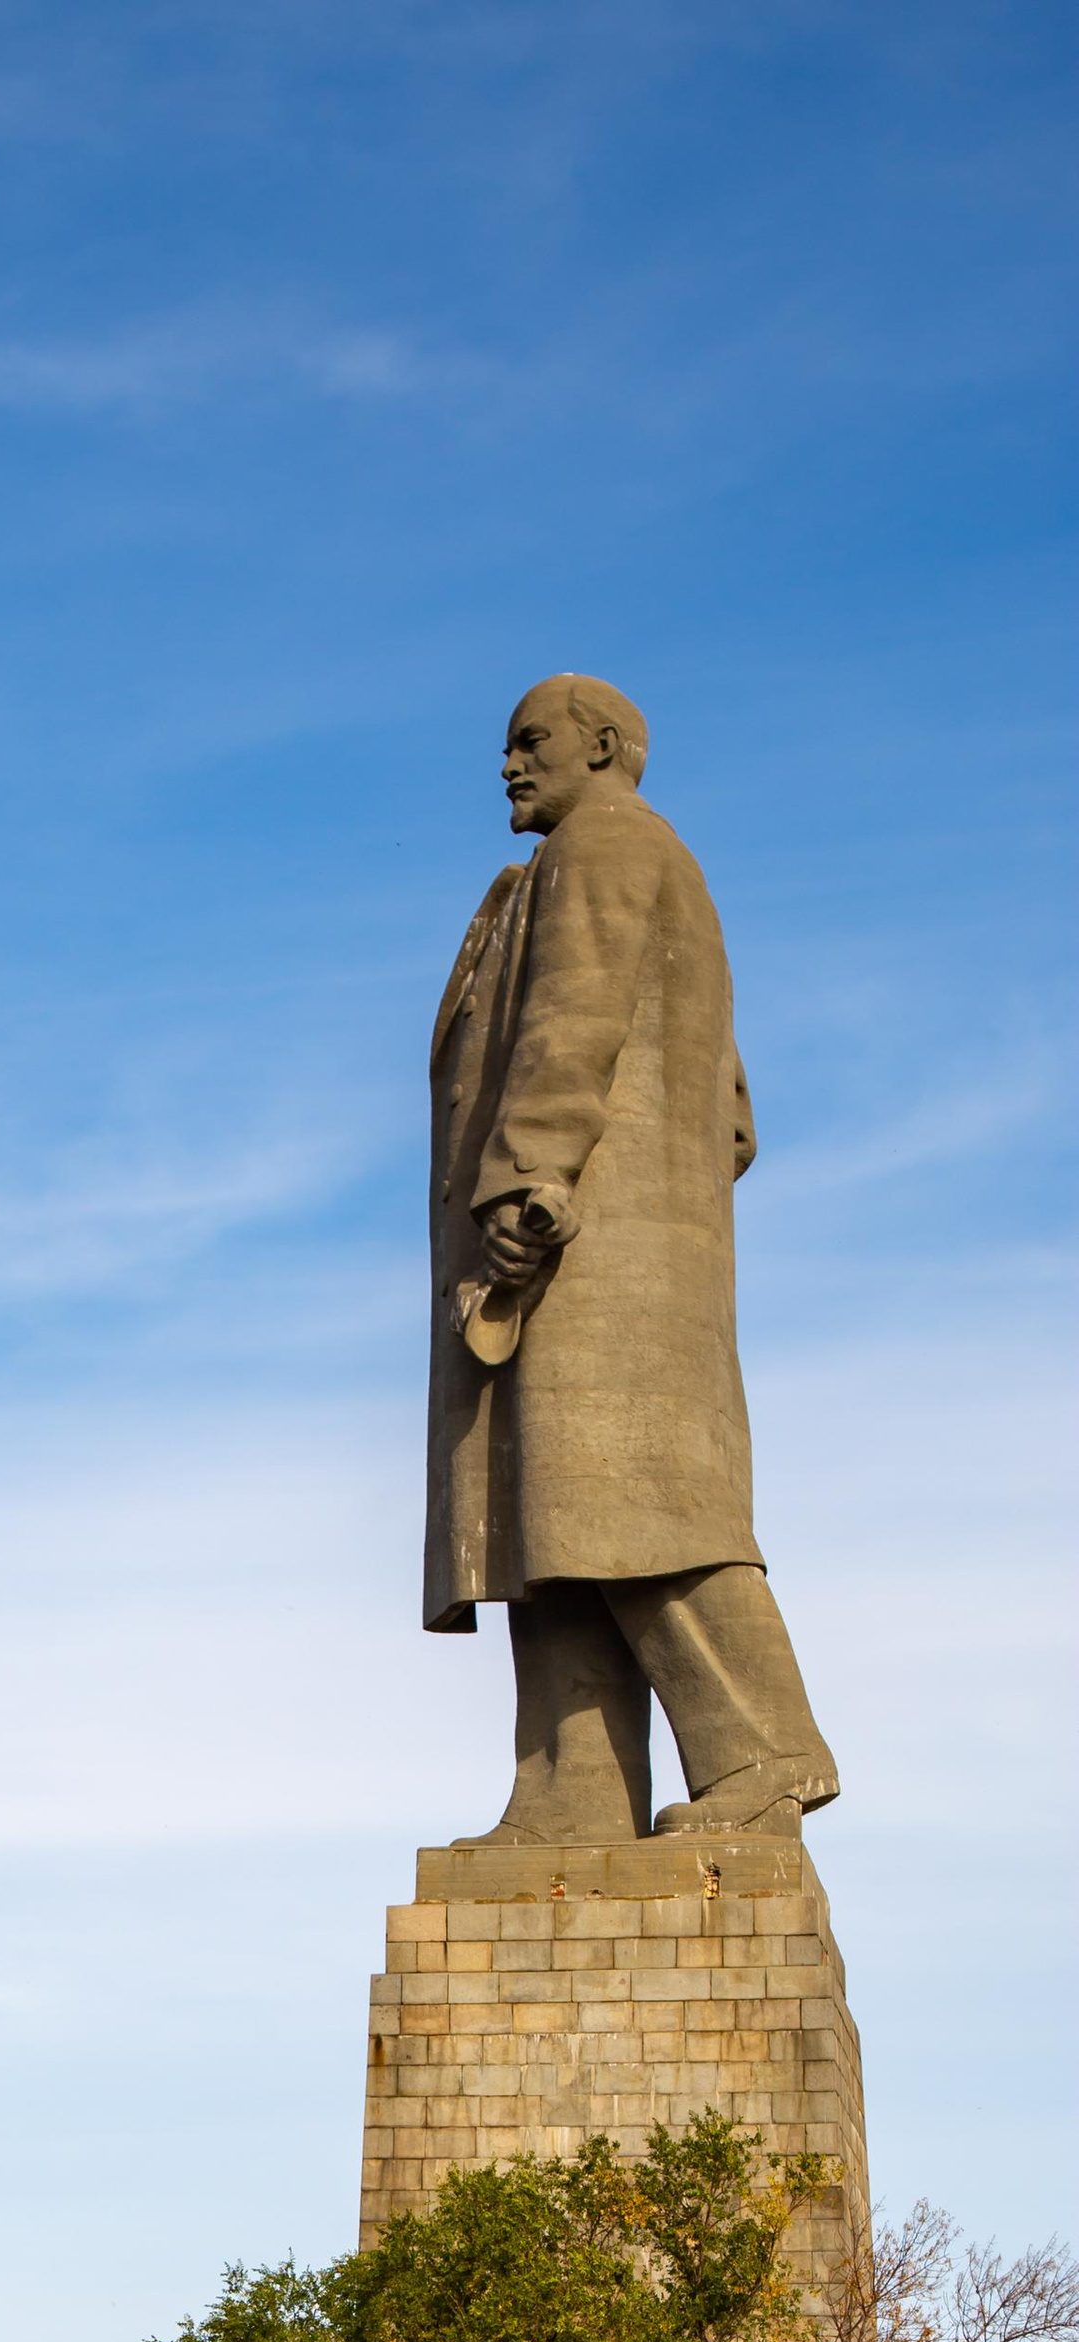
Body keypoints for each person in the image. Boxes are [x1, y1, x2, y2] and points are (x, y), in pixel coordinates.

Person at [426, 673, 839, 1844]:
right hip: (622, 1246)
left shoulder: (603, 851)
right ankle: (571, 1796)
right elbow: (734, 1119)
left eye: (529, 741)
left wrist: (531, 1176)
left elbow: (571, 1016)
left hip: (581, 1253)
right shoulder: (651, 868)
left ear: (602, 746)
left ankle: (767, 1754)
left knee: (635, 1504)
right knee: (552, 1533)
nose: (508, 764)